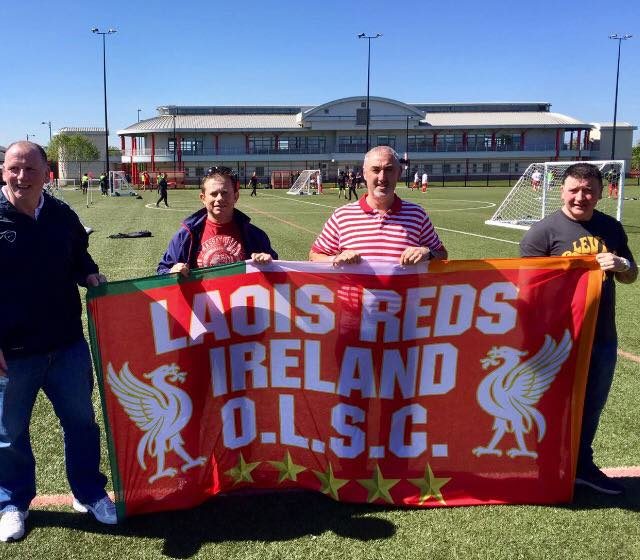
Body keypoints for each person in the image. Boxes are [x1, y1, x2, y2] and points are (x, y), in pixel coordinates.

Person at [0, 141, 116, 543]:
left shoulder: (61, 214)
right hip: (11, 353)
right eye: (14, 168)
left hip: (67, 344)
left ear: (46, 173)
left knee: (82, 424)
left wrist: (91, 276)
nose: (21, 177)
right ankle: (12, 502)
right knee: (10, 433)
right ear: (3, 171)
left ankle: (89, 493)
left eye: (29, 169)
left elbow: (79, 257)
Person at [520, 163, 637, 495]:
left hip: (601, 336)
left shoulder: (611, 228)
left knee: (592, 404)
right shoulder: (542, 234)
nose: (580, 197)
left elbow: (631, 275)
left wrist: (624, 264)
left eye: (588, 191)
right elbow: (528, 291)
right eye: (574, 190)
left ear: (600, 193)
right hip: (556, 340)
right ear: (562, 191)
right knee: (551, 404)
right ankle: (544, 467)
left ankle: (582, 465)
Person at [310, 146, 448, 265]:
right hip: (355, 297)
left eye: (389, 170)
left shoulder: (417, 215)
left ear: (399, 173)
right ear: (364, 173)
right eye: (375, 170)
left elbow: (442, 254)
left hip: (403, 296)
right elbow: (314, 256)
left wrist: (427, 253)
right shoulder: (342, 216)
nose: (382, 178)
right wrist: (336, 259)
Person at [158, 166, 277, 275]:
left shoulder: (256, 236)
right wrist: (171, 271)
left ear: (235, 197)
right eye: (214, 194)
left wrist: (270, 263)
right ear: (203, 198)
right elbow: (162, 270)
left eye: (225, 193)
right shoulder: (184, 236)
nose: (219, 198)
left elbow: (279, 273)